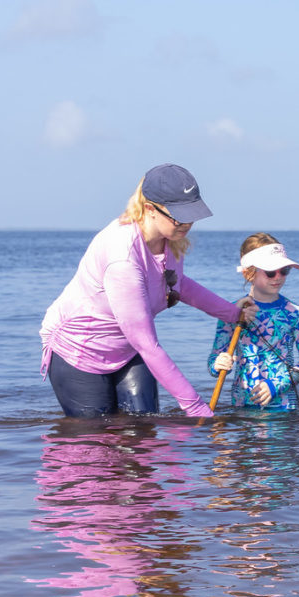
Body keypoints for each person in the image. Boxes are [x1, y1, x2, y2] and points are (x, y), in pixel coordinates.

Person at [41, 164, 257, 418]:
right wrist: (196, 407)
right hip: (81, 351)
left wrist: (232, 314)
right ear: (149, 209)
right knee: (96, 441)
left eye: (192, 215)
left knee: (143, 430)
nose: (187, 224)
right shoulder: (122, 256)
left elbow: (179, 285)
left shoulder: (170, 240)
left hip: (127, 349)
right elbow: (146, 343)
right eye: (179, 216)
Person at [208, 233, 299, 411]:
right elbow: (214, 363)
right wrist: (218, 364)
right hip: (242, 405)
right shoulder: (231, 313)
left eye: (284, 270)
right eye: (270, 272)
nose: (278, 277)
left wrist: (276, 384)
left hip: (283, 406)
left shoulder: (295, 314)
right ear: (248, 273)